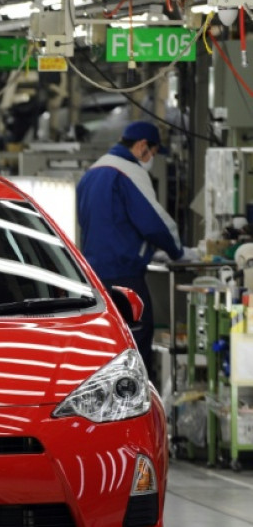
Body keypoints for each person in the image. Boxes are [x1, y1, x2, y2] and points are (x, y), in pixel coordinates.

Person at [77, 120, 199, 383]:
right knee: (135, 347)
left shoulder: (90, 174)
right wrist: (178, 252)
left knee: (105, 350)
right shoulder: (128, 171)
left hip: (93, 280)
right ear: (142, 145)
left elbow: (107, 226)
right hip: (125, 279)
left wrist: (144, 249)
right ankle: (138, 404)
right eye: (153, 152)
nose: (152, 158)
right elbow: (155, 222)